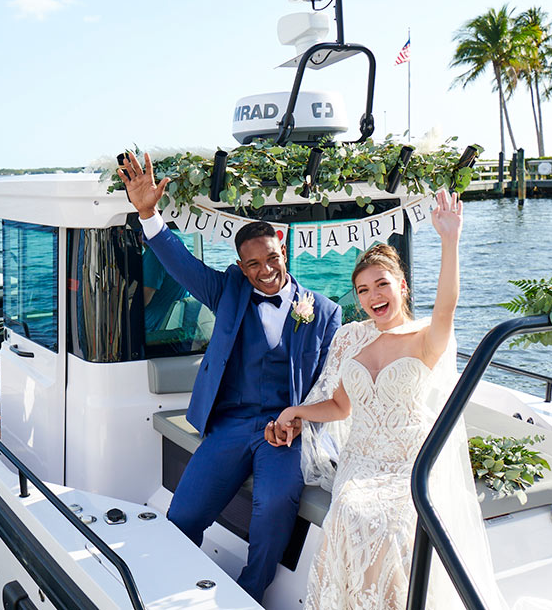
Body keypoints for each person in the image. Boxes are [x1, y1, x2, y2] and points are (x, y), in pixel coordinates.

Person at [118, 151, 342, 602]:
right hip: (231, 424)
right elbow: (182, 265)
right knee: (184, 514)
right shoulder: (229, 290)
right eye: (254, 265)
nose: (266, 271)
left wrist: (297, 419)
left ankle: (250, 593)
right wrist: (148, 213)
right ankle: (177, 584)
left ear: (282, 246)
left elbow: (327, 381)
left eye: (272, 258)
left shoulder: (324, 311)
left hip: (287, 429)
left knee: (276, 503)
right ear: (242, 267)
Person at [267, 190, 505, 609]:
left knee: (395, 527)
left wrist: (450, 241)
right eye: (362, 290)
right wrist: (296, 411)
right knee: (349, 514)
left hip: (408, 462)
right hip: (361, 460)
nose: (373, 296)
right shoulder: (350, 338)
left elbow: (448, 305)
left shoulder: (426, 337)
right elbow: (340, 406)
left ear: (402, 286)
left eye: (381, 284)